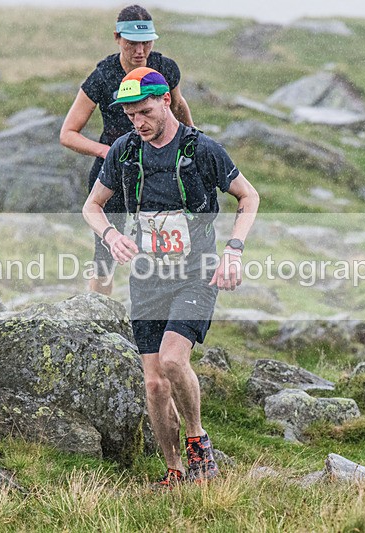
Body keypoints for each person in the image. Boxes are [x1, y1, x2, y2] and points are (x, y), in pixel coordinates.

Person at [82, 67, 259, 488]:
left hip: (195, 273)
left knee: (174, 360)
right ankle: (174, 470)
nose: (138, 123)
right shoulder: (125, 151)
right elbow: (92, 206)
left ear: (166, 101)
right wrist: (111, 236)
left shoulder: (202, 149)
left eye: (145, 112)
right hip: (147, 277)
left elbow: (248, 196)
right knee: (154, 384)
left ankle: (198, 443)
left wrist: (233, 250)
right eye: (130, 116)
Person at [61, 4, 194, 296]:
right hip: (114, 173)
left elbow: (177, 107)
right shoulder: (103, 76)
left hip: (159, 170)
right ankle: (97, 314)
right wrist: (107, 152)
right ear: (117, 38)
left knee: (163, 249)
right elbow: (68, 134)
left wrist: (192, 144)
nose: (140, 50)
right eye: (132, 42)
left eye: (146, 42)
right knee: (105, 258)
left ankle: (160, 311)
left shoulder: (165, 68)